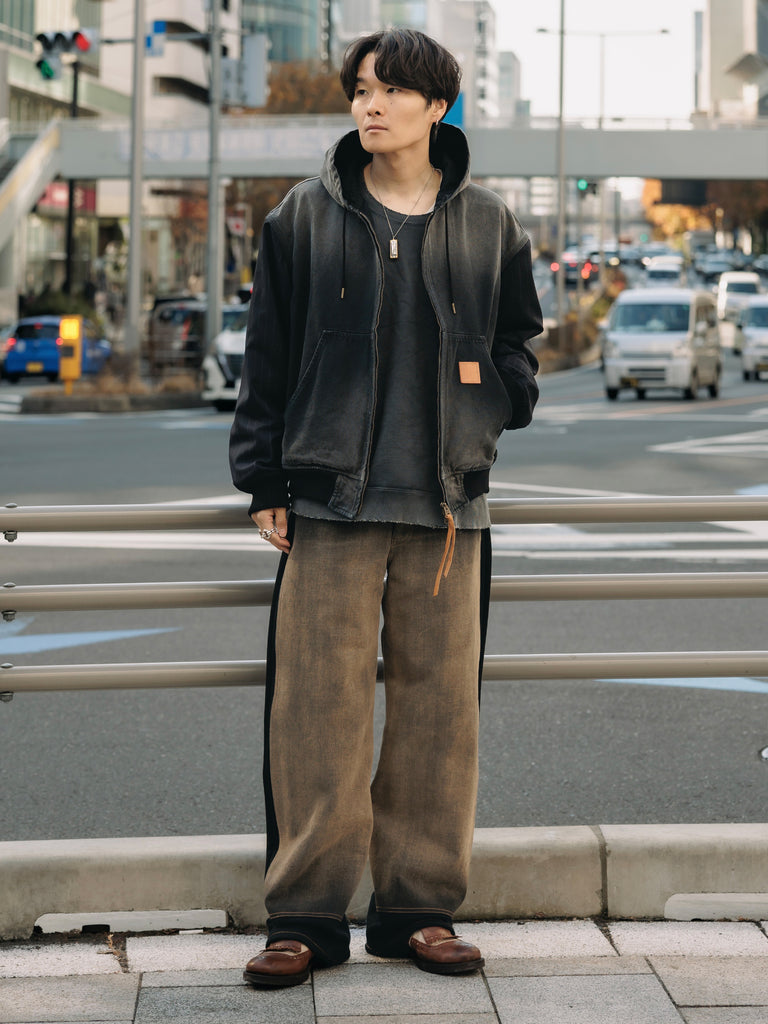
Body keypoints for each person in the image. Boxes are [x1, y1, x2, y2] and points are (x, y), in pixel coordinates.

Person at [230, 28, 542, 988]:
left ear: (436, 107)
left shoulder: (489, 221)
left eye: (392, 90)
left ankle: (418, 911)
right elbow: (266, 357)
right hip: (330, 505)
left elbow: (520, 341)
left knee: (439, 718)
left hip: (448, 507)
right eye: (362, 89)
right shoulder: (303, 215)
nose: (371, 104)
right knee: (315, 715)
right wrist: (265, 481)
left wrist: (497, 398)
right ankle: (304, 918)